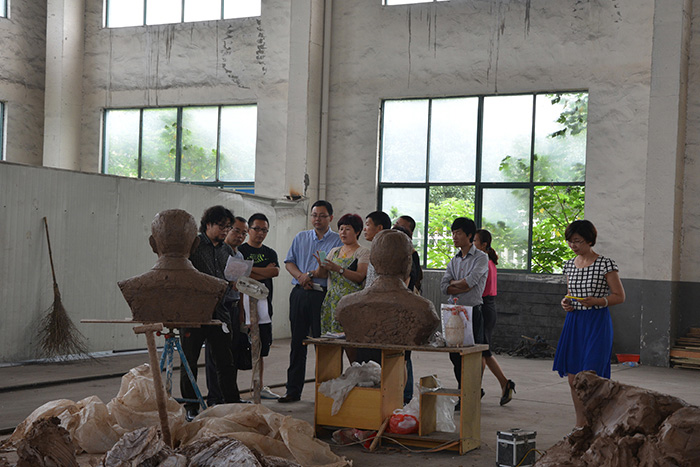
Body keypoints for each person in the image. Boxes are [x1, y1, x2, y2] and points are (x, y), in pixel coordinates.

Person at [553, 220, 625, 436]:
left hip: (596, 322)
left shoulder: (605, 264)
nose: (573, 245)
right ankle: (581, 424)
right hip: (574, 322)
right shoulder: (569, 265)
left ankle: (599, 423)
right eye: (570, 241)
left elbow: (619, 296)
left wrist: (598, 301)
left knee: (592, 376)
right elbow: (570, 294)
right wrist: (566, 303)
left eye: (577, 241)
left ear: (590, 240)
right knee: (573, 378)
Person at [181, 206, 246, 422]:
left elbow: (230, 278)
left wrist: (234, 282)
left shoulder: (227, 250)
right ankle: (191, 406)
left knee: (225, 361)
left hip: (220, 312)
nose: (225, 230)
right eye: (221, 226)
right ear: (208, 224)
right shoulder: (194, 245)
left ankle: (231, 402)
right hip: (194, 312)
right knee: (189, 361)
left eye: (228, 227)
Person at [280, 200, 343, 403]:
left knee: (323, 344)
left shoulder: (337, 240)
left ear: (330, 218)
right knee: (297, 343)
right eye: (314, 215)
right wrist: (301, 277)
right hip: (300, 293)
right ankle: (292, 391)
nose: (317, 219)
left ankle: (326, 394)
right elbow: (289, 262)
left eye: (322, 216)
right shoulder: (301, 237)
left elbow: (329, 269)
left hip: (322, 296)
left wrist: (311, 275)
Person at [311, 214, 369, 362]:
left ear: (357, 231)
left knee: (351, 344)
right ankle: (334, 374)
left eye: (347, 229)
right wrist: (321, 266)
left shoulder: (363, 252)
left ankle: (357, 371)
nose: (343, 232)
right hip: (332, 303)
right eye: (341, 229)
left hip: (351, 304)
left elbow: (360, 276)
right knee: (331, 346)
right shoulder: (334, 251)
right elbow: (322, 275)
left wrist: (339, 269)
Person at [439, 217, 489, 391]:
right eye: (453, 233)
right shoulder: (454, 260)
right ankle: (463, 391)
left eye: (458, 233)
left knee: (471, 354)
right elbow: (444, 287)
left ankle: (471, 392)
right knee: (454, 355)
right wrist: (459, 284)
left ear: (469, 235)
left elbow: (471, 282)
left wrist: (455, 283)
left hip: (472, 312)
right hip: (453, 312)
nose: (454, 237)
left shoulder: (481, 258)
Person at [204, 216, 248, 406]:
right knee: (215, 355)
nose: (240, 236)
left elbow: (241, 286)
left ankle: (230, 397)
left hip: (234, 307)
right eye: (236, 230)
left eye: (244, 233)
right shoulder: (217, 252)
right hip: (217, 308)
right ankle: (214, 398)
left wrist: (242, 312)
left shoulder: (239, 256)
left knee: (231, 355)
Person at [239, 213, 281, 400]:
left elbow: (275, 272)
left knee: (261, 348)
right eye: (257, 229)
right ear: (249, 230)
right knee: (241, 347)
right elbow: (239, 275)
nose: (260, 233)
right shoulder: (240, 250)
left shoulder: (270, 253)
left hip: (264, 306)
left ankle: (260, 385)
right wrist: (264, 271)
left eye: (264, 230)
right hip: (243, 306)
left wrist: (249, 269)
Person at [473, 228, 515, 405]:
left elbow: (476, 287)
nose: (472, 244)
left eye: (474, 241)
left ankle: (476, 389)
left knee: (482, 352)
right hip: (487, 306)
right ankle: (502, 384)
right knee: (484, 352)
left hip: (484, 307)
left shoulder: (483, 263)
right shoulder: (488, 261)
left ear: (484, 245)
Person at [363, 211, 392, 288]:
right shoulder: (376, 248)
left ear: (379, 228)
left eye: (367, 225)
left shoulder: (386, 250)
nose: (364, 229)